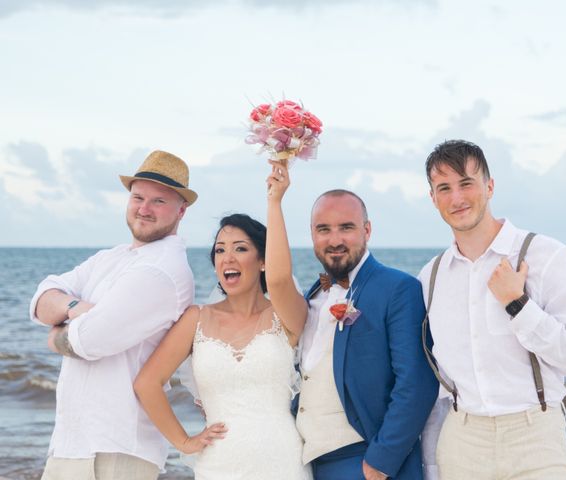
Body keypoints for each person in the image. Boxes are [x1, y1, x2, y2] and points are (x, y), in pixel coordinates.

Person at [418, 140, 566, 480]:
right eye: (444, 188)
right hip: (461, 441)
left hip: (535, 436)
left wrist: (518, 305)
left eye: (466, 183)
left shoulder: (547, 256)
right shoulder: (431, 276)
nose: (456, 198)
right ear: (433, 198)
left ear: (489, 185)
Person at [134, 160, 311, 479]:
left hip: (282, 461)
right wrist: (184, 441)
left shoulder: (286, 316)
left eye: (240, 249)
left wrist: (275, 201)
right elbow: (147, 383)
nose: (227, 258)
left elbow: (281, 280)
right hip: (218, 464)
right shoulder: (196, 319)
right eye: (219, 251)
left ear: (261, 261)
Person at [29, 150, 198, 480]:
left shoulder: (163, 270)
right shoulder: (111, 258)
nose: (144, 209)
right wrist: (75, 308)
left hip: (116, 449)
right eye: (138, 197)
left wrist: (56, 332)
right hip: (71, 443)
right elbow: (40, 298)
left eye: (158, 201)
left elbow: (88, 341)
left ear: (181, 210)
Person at [296, 188, 439, 480]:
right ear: (312, 234)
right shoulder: (313, 294)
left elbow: (416, 383)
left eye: (346, 228)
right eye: (324, 229)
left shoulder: (398, 288)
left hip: (363, 462)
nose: (335, 240)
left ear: (367, 230)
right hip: (310, 462)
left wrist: (380, 462)